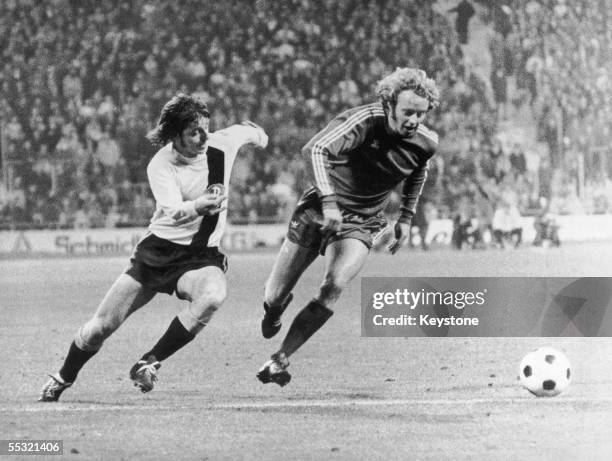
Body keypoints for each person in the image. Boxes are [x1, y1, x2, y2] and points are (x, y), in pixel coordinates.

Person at [39, 94, 268, 401]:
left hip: (200, 257)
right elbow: (173, 209)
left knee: (213, 295)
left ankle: (149, 361)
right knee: (100, 328)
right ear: (174, 135)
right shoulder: (161, 164)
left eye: (205, 129)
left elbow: (248, 131)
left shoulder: (221, 143)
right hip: (158, 252)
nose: (203, 137)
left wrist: (259, 136)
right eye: (193, 132)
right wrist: (199, 205)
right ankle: (63, 377)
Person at [256, 68, 440, 386]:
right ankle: (274, 308)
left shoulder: (426, 142)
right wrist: (328, 202)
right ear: (389, 104)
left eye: (420, 114)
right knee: (275, 294)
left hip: (363, 220)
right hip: (318, 209)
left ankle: (279, 359)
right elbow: (314, 149)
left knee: (334, 285)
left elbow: (418, 172)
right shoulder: (363, 120)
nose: (413, 120)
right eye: (407, 112)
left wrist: (406, 218)